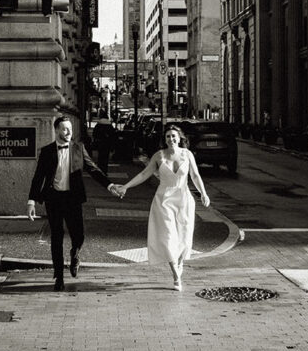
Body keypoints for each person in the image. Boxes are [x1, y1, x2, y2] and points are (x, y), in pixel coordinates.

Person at [26, 115, 120, 291]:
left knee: (79, 235)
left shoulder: (79, 149)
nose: (68, 131)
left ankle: (75, 254)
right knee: (56, 237)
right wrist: (31, 201)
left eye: (70, 128)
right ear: (56, 130)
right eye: (64, 128)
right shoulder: (47, 151)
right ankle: (59, 277)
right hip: (53, 199)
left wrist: (110, 185)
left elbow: (93, 169)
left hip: (72, 199)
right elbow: (38, 178)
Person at [112, 123, 210, 291]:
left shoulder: (187, 155)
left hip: (184, 199)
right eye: (168, 136)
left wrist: (203, 193)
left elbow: (195, 175)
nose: (171, 139)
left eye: (173, 136)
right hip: (164, 200)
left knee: (184, 237)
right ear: (164, 139)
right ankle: (175, 275)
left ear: (180, 138)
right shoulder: (159, 156)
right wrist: (126, 186)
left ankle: (180, 263)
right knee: (168, 236)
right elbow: (144, 174)